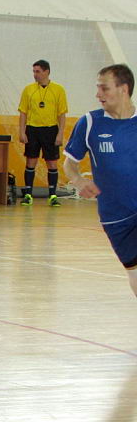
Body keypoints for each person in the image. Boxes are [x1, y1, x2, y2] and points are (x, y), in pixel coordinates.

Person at [64, 64, 137, 297]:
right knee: (134, 273)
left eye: (104, 88)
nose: (98, 94)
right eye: (98, 88)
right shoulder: (89, 123)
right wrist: (78, 180)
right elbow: (69, 164)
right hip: (116, 216)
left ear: (123, 89)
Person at [18, 59, 68, 207]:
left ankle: (52, 195)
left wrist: (60, 133)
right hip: (32, 129)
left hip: (50, 129)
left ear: (47, 72)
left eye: (38, 71)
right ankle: (28, 194)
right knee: (31, 161)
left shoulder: (58, 90)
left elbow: (62, 114)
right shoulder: (28, 90)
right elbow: (23, 112)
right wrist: (22, 132)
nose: (35, 74)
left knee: (52, 163)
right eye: (34, 71)